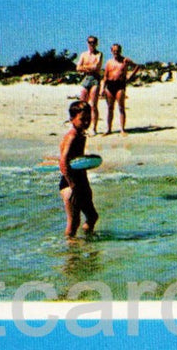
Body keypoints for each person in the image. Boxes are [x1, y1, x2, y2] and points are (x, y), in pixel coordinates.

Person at [59, 100, 98, 238]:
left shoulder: (81, 134)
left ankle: (89, 245)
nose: (86, 122)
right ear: (72, 119)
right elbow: (63, 161)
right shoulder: (72, 136)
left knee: (92, 216)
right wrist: (72, 184)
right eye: (82, 119)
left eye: (89, 119)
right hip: (71, 183)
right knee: (73, 223)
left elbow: (76, 159)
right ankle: (71, 255)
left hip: (81, 181)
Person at [101, 44, 140, 134]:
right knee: (110, 108)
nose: (116, 52)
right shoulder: (109, 62)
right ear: (111, 51)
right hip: (110, 85)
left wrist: (130, 77)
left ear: (120, 51)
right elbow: (105, 76)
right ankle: (109, 129)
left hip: (120, 85)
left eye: (117, 50)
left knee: (121, 107)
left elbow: (137, 66)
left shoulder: (125, 60)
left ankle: (122, 129)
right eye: (114, 50)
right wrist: (103, 88)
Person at [75, 36, 103, 133]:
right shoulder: (83, 54)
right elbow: (78, 67)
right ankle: (81, 126)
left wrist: (84, 67)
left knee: (93, 105)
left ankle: (94, 128)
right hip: (86, 78)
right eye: (90, 42)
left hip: (95, 79)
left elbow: (96, 67)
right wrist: (87, 68)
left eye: (93, 42)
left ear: (96, 43)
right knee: (82, 104)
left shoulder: (99, 54)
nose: (92, 44)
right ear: (87, 43)